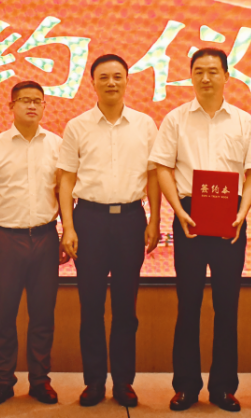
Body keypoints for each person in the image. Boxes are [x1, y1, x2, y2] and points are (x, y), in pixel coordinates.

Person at [150, 47, 251, 413]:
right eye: (198, 71)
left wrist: (243, 213)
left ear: (227, 76)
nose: (205, 77)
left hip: (231, 218)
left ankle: (223, 388)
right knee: (188, 304)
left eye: (213, 71)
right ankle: (185, 386)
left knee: (227, 305)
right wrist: (177, 210)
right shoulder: (176, 119)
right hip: (190, 216)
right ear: (191, 76)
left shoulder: (243, 121)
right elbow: (162, 167)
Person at [57, 54, 161, 408]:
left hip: (131, 219)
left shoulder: (145, 125)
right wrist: (68, 226)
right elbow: (66, 178)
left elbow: (153, 176)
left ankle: (123, 382)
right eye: (104, 77)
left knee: (125, 307)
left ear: (127, 80)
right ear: (93, 83)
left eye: (118, 76)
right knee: (91, 306)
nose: (111, 82)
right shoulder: (77, 126)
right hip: (89, 220)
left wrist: (155, 220)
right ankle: (94, 382)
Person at [0, 81, 65, 406]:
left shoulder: (57, 144)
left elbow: (64, 193)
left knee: (43, 315)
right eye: (25, 100)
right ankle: (3, 381)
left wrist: (67, 232)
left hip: (46, 237)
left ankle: (40, 380)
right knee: (3, 314)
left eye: (38, 101)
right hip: (6, 239)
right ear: (11, 106)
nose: (32, 106)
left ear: (44, 106)